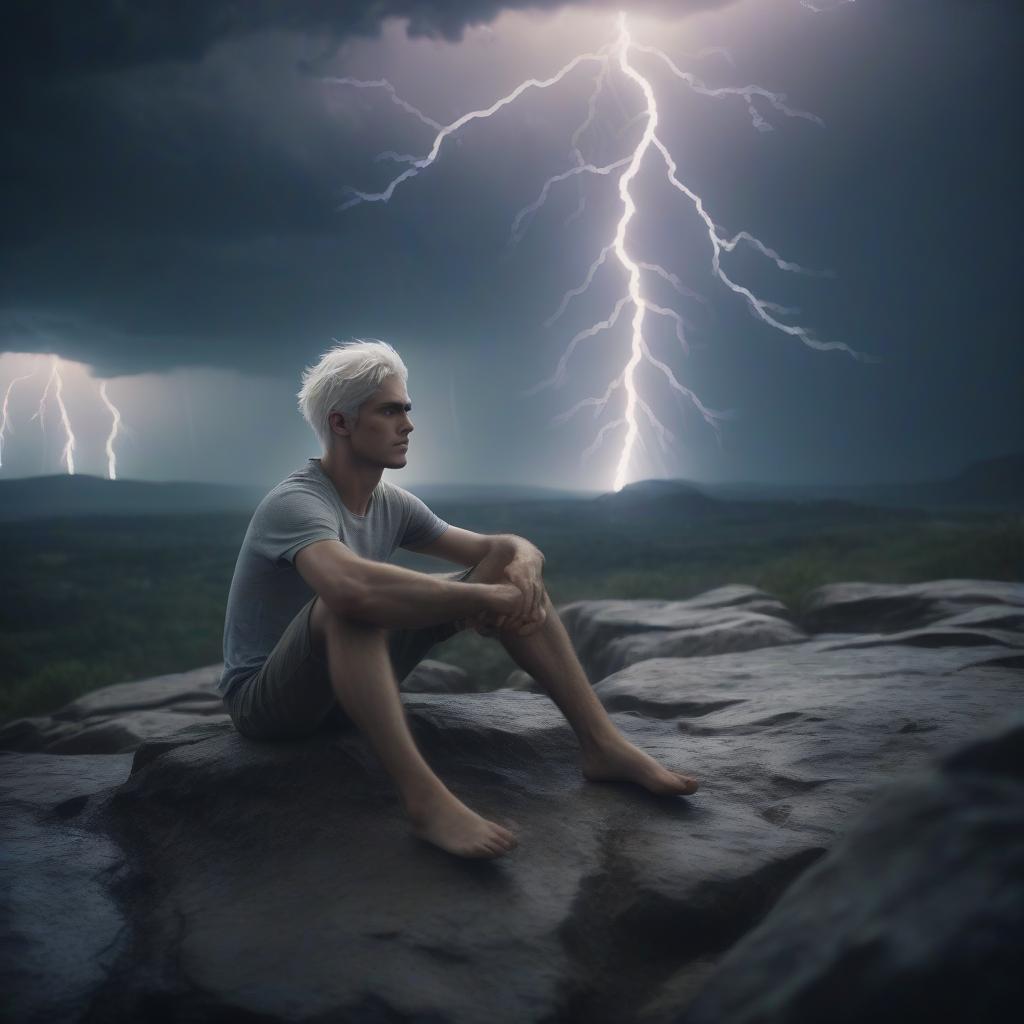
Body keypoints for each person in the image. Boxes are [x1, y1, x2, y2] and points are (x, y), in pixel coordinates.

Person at [219, 339, 698, 859]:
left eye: (407, 409)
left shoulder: (391, 503)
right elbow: (348, 588)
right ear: (341, 424)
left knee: (510, 575)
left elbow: (497, 549)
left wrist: (523, 563)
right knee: (350, 605)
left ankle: (602, 743)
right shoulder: (296, 502)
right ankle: (425, 803)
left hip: (345, 694)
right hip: (271, 704)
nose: (408, 424)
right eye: (389, 410)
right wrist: (489, 597)